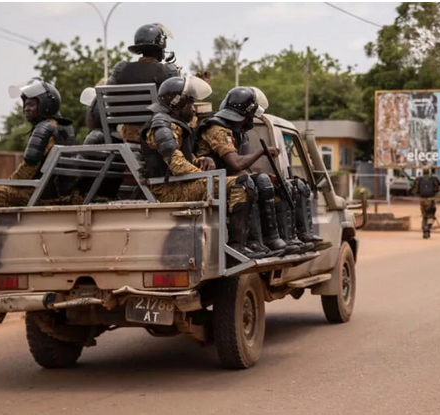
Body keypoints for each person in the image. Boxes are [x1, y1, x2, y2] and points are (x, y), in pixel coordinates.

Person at [139, 76, 272, 259]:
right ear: (178, 103)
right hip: (168, 189)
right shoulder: (161, 126)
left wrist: (200, 160)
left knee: (247, 182)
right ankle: (236, 247)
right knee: (240, 184)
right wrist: (205, 175)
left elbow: (183, 157)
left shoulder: (171, 124)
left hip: (178, 184)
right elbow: (177, 166)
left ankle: (252, 244)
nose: (193, 109)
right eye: (190, 103)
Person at [195, 86, 329, 255]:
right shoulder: (217, 130)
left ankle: (284, 238)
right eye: (252, 114)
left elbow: (237, 169)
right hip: (209, 183)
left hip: (225, 179)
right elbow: (236, 164)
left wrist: (260, 175)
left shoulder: (235, 131)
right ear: (246, 113)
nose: (253, 119)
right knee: (255, 183)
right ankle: (255, 242)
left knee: (276, 182)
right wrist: (262, 152)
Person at [0, 78, 81, 207]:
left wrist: (8, 184)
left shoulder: (44, 128)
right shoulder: (66, 128)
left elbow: (26, 172)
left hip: (40, 196)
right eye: (25, 105)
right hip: (63, 195)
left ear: (45, 105)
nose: (26, 109)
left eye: (31, 105)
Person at [107, 23, 180, 143]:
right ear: (160, 47)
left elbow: (108, 97)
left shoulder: (120, 68)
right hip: (155, 134)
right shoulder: (168, 70)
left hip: (126, 134)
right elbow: (176, 105)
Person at [411, 171, 440, 239]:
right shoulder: (434, 178)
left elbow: (415, 189)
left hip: (422, 200)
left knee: (424, 216)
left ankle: (424, 231)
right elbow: (439, 187)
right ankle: (427, 227)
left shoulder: (419, 179)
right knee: (430, 216)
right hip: (431, 200)